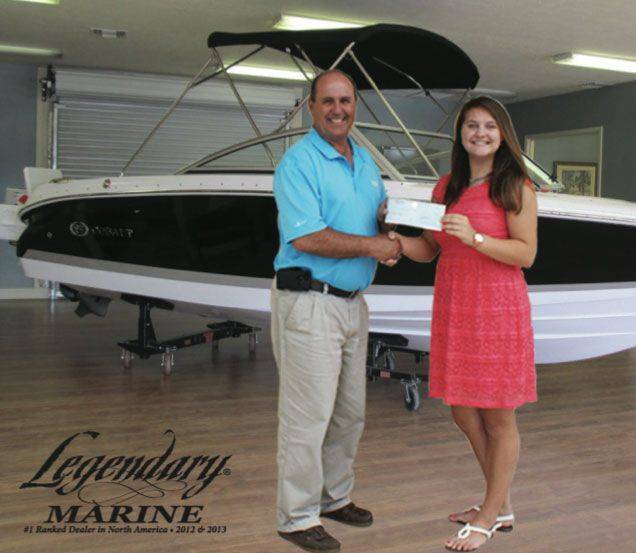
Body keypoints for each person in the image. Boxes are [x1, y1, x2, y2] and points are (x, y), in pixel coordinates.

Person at [390, 96, 537, 551]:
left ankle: (491, 514)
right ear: (460, 134)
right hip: (455, 306)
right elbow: (431, 249)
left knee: (498, 415)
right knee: (461, 409)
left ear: (503, 134)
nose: (480, 133)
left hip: (496, 309)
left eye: (489, 126)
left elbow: (525, 254)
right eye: (471, 125)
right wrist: (394, 241)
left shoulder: (515, 186)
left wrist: (475, 237)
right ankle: (501, 503)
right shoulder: (446, 186)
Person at [271, 69, 401, 552]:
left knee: (349, 413)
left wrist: (392, 222)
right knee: (308, 417)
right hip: (309, 303)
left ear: (355, 106)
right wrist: (376, 245)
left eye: (345, 100)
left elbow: (377, 214)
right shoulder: (298, 163)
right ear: (311, 107)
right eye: (328, 101)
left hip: (351, 305)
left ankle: (333, 497)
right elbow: (308, 237)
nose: (338, 108)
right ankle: (296, 516)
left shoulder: (364, 161)